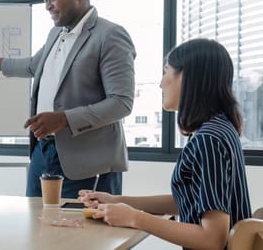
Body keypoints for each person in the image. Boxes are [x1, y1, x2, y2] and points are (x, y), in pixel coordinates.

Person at [0, 0, 136, 197]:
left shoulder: (110, 35)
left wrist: (64, 119)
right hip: (43, 153)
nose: (47, 6)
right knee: (35, 227)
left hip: (87, 162)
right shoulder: (56, 34)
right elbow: (34, 65)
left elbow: (121, 103)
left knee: (80, 233)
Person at [79, 38, 252, 250]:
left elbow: (212, 239)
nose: (161, 83)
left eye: (166, 72)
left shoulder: (209, 139)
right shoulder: (219, 128)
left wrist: (135, 218)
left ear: (187, 78)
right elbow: (190, 201)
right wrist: (117, 201)